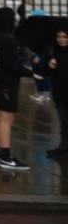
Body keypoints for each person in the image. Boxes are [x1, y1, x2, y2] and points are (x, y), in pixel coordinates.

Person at [0, 6, 32, 171]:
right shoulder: (7, 40)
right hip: (7, 83)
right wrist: (31, 73)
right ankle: (5, 156)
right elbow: (13, 65)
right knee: (6, 119)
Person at [44, 29, 68, 157]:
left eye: (64, 37)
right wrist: (50, 65)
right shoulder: (53, 53)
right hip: (59, 92)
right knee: (63, 120)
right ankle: (64, 146)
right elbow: (47, 72)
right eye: (59, 37)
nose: (61, 39)